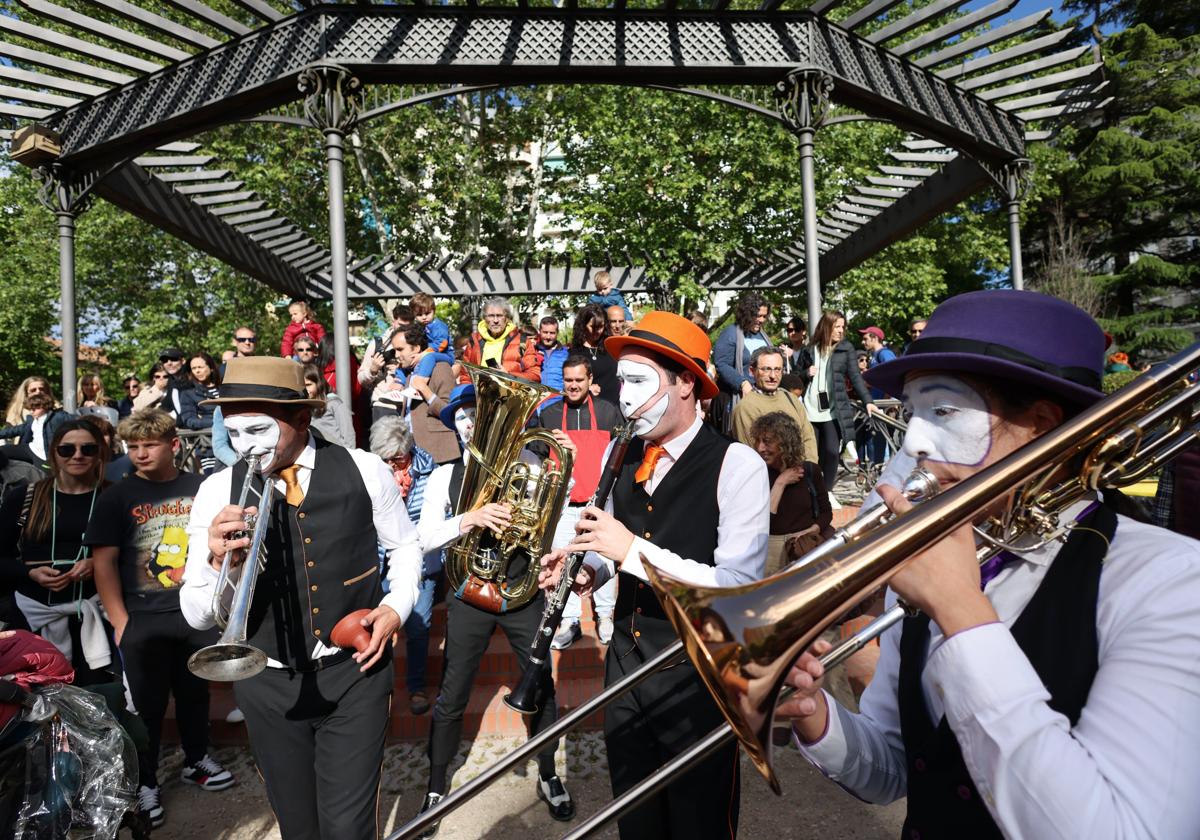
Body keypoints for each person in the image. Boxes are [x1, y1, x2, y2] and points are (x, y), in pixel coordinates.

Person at [783, 289, 1200, 839]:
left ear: (1045, 425)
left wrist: (960, 612)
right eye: (912, 413)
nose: (915, 441)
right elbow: (898, 766)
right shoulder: (936, 560)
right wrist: (816, 716)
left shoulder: (1170, 581)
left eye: (945, 411)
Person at [540, 311, 769, 840]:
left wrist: (629, 551)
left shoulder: (738, 465)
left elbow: (735, 587)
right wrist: (587, 570)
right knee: (636, 819)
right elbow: (614, 545)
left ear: (686, 383)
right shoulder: (625, 454)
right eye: (621, 381)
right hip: (625, 666)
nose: (624, 397)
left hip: (699, 676)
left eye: (640, 382)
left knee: (698, 821)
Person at [180, 357, 422, 840]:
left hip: (354, 673)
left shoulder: (365, 468)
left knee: (348, 828)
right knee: (298, 827)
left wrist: (397, 606)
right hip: (267, 684)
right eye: (234, 433)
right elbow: (196, 614)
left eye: (258, 430)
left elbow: (405, 545)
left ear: (301, 419)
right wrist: (212, 561)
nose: (246, 448)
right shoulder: (214, 492)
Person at [412, 384, 577, 836]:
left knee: (540, 685)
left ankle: (547, 773)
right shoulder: (446, 477)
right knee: (452, 694)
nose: (470, 423)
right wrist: (468, 519)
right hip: (469, 593)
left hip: (522, 593)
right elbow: (422, 537)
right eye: (463, 416)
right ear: (456, 428)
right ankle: (436, 783)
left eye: (475, 413)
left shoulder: (531, 465)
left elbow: (556, 522)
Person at [85, 409, 234, 829]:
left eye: (148, 445)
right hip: (141, 618)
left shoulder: (198, 487)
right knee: (146, 706)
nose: (139, 453)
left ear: (173, 445)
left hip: (193, 611)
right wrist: (120, 621)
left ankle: (197, 758)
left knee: (194, 692)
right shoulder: (117, 496)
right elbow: (104, 562)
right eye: (132, 447)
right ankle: (146, 780)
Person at [0, 420, 112, 680]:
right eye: (67, 450)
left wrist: (98, 563)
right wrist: (29, 573)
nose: (78, 455)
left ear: (100, 454)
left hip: (96, 618)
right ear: (53, 453)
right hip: (32, 617)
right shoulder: (26, 497)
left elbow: (134, 554)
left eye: (88, 449)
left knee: (98, 697)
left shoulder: (113, 496)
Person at [530, 352, 622, 648]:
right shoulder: (550, 414)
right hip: (565, 504)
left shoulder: (609, 412)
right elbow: (541, 458)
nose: (572, 385)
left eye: (579, 380)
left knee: (602, 556)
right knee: (563, 559)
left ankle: (605, 615)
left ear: (591, 380)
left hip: (600, 504)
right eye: (568, 380)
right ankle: (569, 620)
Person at [369, 415, 438, 715]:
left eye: (397, 459)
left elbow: (431, 522)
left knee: (418, 626)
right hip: (378, 558)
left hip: (420, 559)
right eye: (385, 459)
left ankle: (416, 686)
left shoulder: (430, 471)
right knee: (375, 627)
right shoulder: (372, 470)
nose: (392, 466)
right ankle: (377, 691)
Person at [799, 310, 878, 491]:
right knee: (812, 455)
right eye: (837, 327)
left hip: (833, 410)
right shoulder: (810, 349)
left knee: (833, 452)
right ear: (827, 327)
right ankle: (813, 492)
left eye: (843, 327)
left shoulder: (846, 348)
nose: (841, 331)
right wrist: (806, 373)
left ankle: (826, 491)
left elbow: (856, 377)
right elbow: (796, 378)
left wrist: (868, 401)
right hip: (809, 410)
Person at [747, 411, 832, 576]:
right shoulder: (756, 473)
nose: (760, 447)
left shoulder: (809, 470)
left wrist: (812, 530)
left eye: (767, 441)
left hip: (803, 550)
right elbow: (762, 521)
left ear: (785, 443)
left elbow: (825, 512)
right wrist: (781, 482)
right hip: (769, 551)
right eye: (757, 441)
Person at [731, 347, 818, 461]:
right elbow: (754, 454)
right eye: (766, 369)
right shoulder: (746, 408)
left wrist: (808, 468)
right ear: (752, 371)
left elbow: (808, 438)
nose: (772, 375)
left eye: (777, 369)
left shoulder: (791, 399)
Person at [392, 324, 461, 465]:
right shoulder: (411, 373)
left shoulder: (440, 368)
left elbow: (453, 412)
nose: (396, 355)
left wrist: (426, 391)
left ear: (416, 348)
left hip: (439, 455)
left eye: (400, 349)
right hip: (416, 456)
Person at [712, 292, 773, 434]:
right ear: (747, 314)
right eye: (758, 316)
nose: (762, 320)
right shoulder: (731, 333)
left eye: (764, 316)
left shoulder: (763, 336)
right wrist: (742, 383)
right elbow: (721, 364)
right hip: (736, 397)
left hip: (763, 397)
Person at [459, 297, 541, 383]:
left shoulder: (522, 341)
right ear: (484, 318)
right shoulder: (474, 340)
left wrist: (509, 376)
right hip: (478, 395)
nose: (495, 320)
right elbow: (465, 375)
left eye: (499, 315)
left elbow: (535, 375)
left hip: (511, 394)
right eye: (491, 316)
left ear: (507, 318)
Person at [0, 391, 73, 467]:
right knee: (2, 450)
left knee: (44, 476)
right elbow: (16, 430)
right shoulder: (32, 420)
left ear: (44, 406)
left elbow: (77, 420)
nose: (31, 412)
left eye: (34, 409)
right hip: (31, 449)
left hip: (44, 456)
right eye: (30, 409)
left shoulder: (57, 417)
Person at [178, 352, 222, 473]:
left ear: (211, 368)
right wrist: (220, 421)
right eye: (194, 368)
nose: (197, 371)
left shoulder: (225, 388)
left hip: (235, 444)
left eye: (200, 367)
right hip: (208, 447)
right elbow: (190, 420)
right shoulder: (188, 393)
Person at [569, 304, 619, 403]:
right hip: (590, 409)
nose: (598, 331)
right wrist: (585, 388)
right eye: (593, 327)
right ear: (583, 325)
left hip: (614, 407)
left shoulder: (611, 347)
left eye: (601, 326)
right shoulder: (574, 353)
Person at [302, 364, 354, 448]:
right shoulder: (304, 407)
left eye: (308, 385)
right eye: (303, 386)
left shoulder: (333, 403)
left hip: (337, 453)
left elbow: (348, 432)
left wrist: (349, 454)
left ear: (318, 383)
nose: (306, 389)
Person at [410, 293, 454, 361]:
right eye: (419, 315)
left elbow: (442, 343)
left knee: (427, 358)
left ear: (434, 311)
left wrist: (424, 353)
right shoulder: (420, 327)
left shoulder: (439, 326)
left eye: (427, 313)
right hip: (432, 353)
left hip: (445, 355)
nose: (424, 317)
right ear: (414, 315)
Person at [532, 316, 569, 393]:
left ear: (557, 333)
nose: (548, 337)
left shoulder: (566, 354)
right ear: (539, 331)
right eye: (545, 332)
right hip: (537, 401)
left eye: (552, 333)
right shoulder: (532, 351)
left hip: (558, 401)